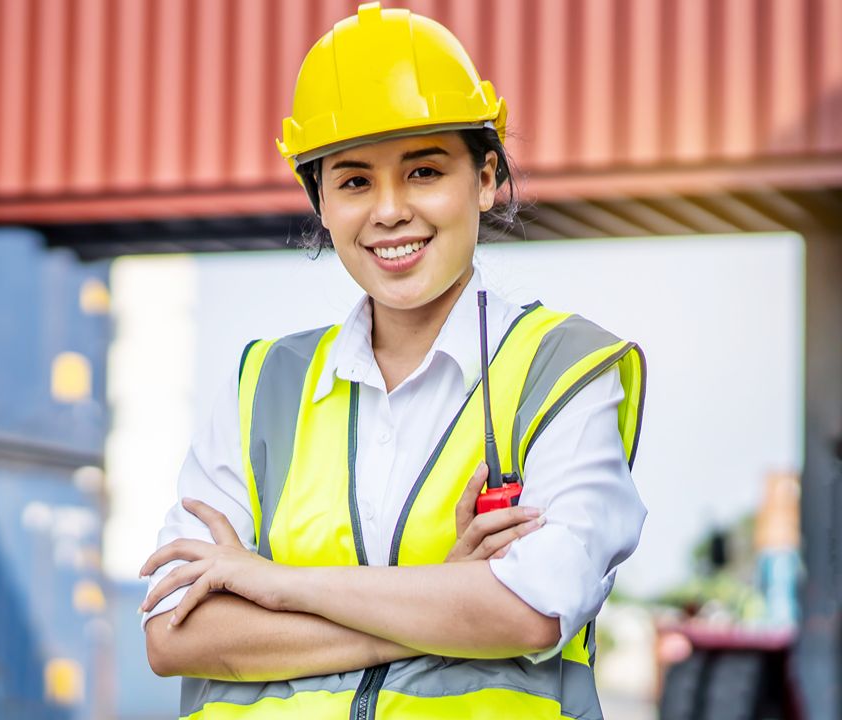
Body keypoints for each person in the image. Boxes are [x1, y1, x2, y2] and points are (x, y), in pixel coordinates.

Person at [139, 3, 647, 718]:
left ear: (486, 178)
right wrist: (442, 599)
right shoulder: (263, 386)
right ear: (320, 201)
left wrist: (274, 583)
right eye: (353, 182)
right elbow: (174, 633)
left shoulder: (564, 372)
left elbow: (533, 611)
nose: (388, 211)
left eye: (423, 171)